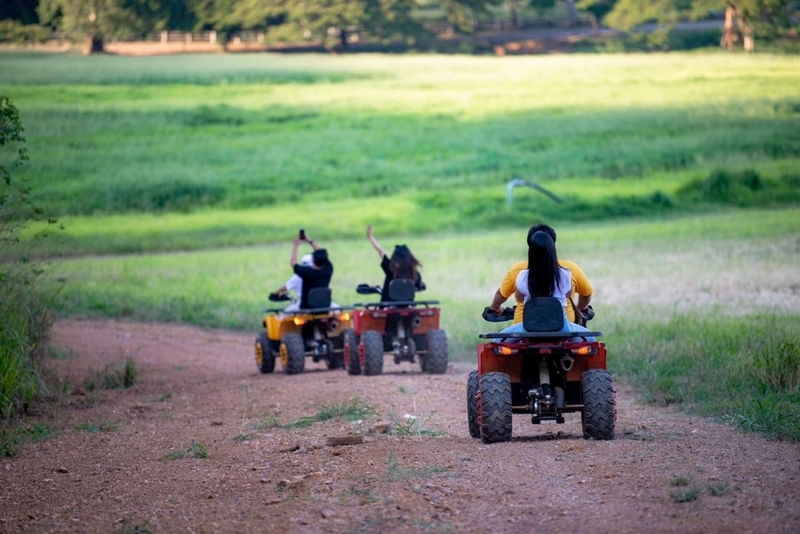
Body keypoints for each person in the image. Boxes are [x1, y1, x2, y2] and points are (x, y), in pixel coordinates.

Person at [487, 223, 593, 326]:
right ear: (552, 245)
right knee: (590, 338)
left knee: (498, 341)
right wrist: (580, 308)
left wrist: (495, 307)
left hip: (525, 327)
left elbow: (509, 296)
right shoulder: (568, 270)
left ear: (530, 247)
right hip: (563, 326)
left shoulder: (520, 272)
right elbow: (584, 293)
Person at [365, 224, 424, 301]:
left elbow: (381, 252)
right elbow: (417, 288)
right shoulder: (415, 274)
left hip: (387, 307)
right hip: (408, 308)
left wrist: (370, 237)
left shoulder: (391, 269)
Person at [290, 232, 333, 309]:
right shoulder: (328, 269)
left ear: (313, 260)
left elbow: (293, 263)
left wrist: (295, 245)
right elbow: (322, 255)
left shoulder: (306, 272)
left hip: (306, 308)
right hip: (324, 307)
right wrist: (309, 240)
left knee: (283, 315)